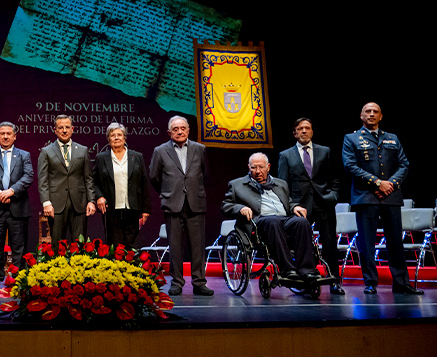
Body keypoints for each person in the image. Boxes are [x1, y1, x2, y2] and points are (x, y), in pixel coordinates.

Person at [342, 102, 422, 295]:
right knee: (366, 242)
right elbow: (350, 166)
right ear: (361, 116)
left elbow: (404, 165)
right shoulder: (351, 138)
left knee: (395, 241)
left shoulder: (392, 138)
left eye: (375, 112)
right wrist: (378, 183)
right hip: (365, 196)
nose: (371, 114)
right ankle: (370, 282)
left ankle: (401, 282)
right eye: (367, 111)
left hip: (390, 196)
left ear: (381, 116)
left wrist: (390, 184)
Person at [221, 152, 320, 282]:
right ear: (249, 167)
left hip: (284, 220)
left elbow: (288, 202)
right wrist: (240, 208)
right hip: (259, 223)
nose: (257, 171)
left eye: (261, 167)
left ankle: (307, 270)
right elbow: (226, 206)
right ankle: (288, 269)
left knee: (301, 222)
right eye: (253, 167)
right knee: (273, 221)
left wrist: (294, 207)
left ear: (268, 167)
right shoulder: (237, 185)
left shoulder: (281, 184)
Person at [278, 117, 345, 295]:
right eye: (300, 128)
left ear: (312, 131)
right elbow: (283, 185)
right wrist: (291, 205)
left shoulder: (324, 151)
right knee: (303, 244)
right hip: (300, 206)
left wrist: (333, 196)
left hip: (324, 203)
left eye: (307, 128)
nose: (304, 131)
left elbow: (334, 177)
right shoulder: (286, 155)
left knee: (329, 244)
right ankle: (307, 278)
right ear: (294, 133)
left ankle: (334, 281)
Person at [149, 116, 213, 296]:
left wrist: (193, 190)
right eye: (175, 129)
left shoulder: (200, 149)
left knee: (197, 246)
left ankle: (199, 282)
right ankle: (176, 282)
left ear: (188, 130)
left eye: (182, 128)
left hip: (195, 203)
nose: (179, 132)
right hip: (173, 204)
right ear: (169, 132)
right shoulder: (160, 151)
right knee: (175, 247)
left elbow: (206, 175)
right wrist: (169, 192)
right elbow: (154, 177)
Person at [0, 122, 34, 295]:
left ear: (15, 136)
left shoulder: (24, 155)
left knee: (19, 248)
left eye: (9, 133)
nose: (5, 136)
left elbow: (28, 176)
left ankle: (17, 282)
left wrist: (11, 191)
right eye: (2, 133)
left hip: (18, 207)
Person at [37, 114, 96, 248]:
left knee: (79, 245)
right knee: (58, 246)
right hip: (56, 205)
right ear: (55, 130)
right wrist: (46, 202)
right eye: (60, 127)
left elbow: (88, 178)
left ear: (72, 129)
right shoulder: (46, 151)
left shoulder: (82, 150)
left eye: (67, 127)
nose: (64, 130)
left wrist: (91, 201)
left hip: (79, 203)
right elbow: (43, 179)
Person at [93, 122, 151, 248]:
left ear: (125, 137)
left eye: (119, 135)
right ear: (108, 139)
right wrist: (99, 197)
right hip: (111, 209)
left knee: (132, 246)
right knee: (113, 245)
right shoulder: (101, 158)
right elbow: (94, 182)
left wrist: (145, 210)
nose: (116, 138)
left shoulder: (137, 157)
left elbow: (143, 183)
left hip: (132, 208)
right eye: (112, 135)